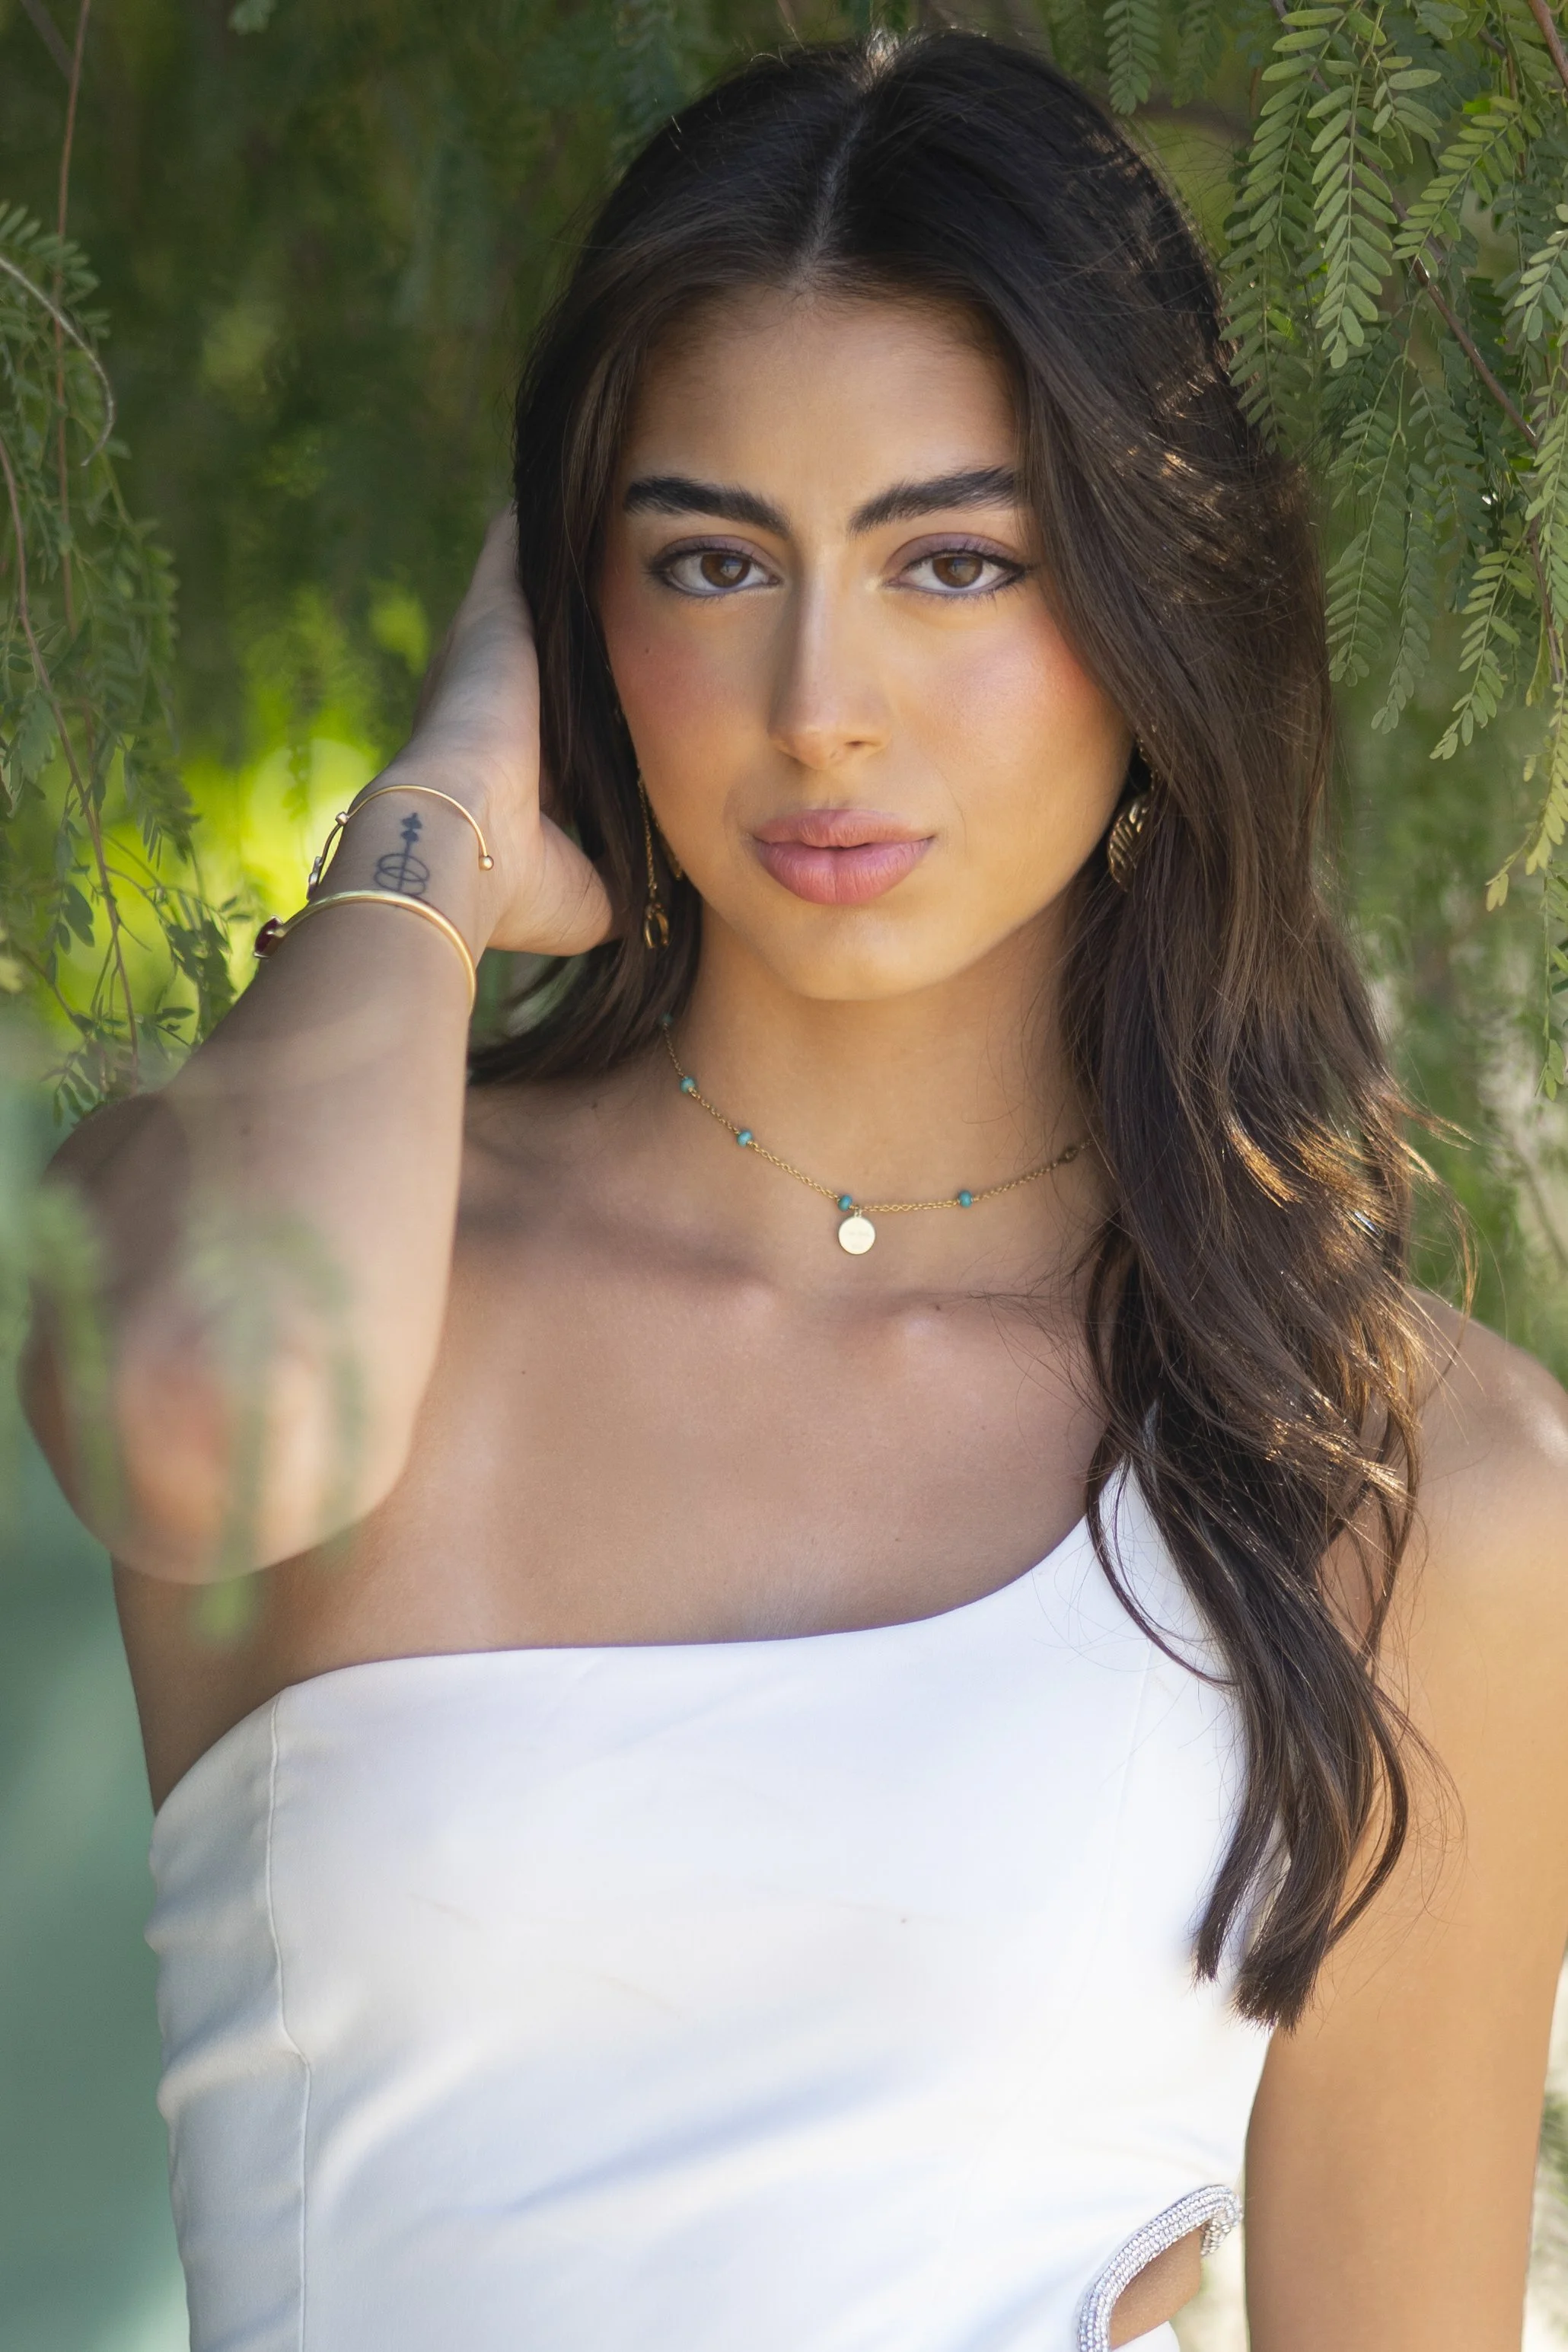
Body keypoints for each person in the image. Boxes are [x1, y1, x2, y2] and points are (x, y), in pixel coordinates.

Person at [22, 30, 1568, 2352]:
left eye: (954, 561)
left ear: (1155, 611)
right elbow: (190, 1423)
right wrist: (435, 811)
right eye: (709, 557)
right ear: (573, 613)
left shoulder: (1409, 1487)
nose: (821, 699)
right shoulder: (305, 1249)